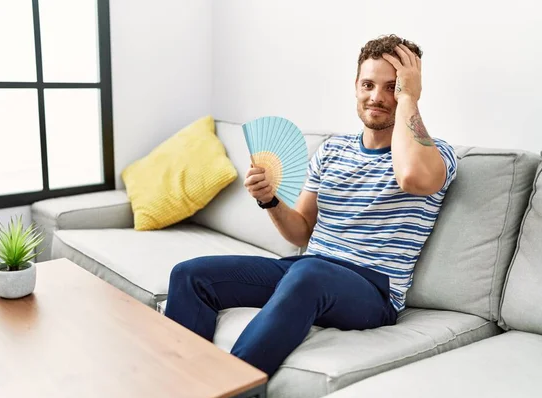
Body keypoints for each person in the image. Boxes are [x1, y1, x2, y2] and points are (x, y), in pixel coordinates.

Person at [164, 34, 458, 378]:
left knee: (308, 273)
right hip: (307, 273)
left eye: (392, 87)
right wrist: (270, 200)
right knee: (189, 274)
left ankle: (231, 387)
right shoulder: (333, 150)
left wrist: (410, 97)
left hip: (373, 292)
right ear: (355, 86)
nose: (377, 97)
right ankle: (180, 383)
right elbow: (301, 230)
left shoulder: (435, 153)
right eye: (368, 84)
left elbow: (413, 179)